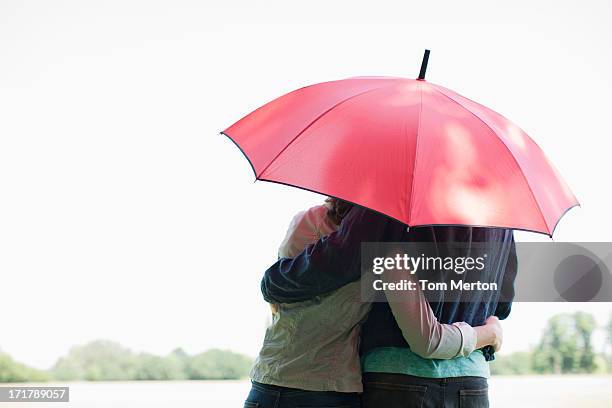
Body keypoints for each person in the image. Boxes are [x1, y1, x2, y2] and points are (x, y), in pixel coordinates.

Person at [244, 199, 505, 408]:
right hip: (329, 390)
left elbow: (296, 281)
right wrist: (488, 333)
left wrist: (270, 282)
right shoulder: (384, 249)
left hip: (272, 380)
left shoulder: (308, 220)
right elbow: (432, 337)